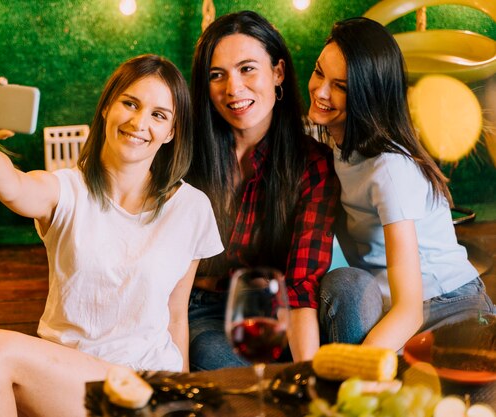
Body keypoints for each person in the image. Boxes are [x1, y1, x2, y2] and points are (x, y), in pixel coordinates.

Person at [0, 54, 223, 417]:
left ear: (171, 132)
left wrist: (176, 399)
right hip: (58, 378)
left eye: (158, 115)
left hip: (136, 387)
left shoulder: (191, 208)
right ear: (106, 109)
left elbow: (176, 314)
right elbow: (12, 186)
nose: (138, 122)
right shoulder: (68, 190)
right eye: (130, 103)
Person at [308, 17, 495, 351]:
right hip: (392, 308)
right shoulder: (339, 149)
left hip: (447, 305)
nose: (321, 91)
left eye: (341, 87)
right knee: (342, 284)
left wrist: (357, 369)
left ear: (368, 96)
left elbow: (410, 311)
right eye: (319, 72)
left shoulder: (390, 168)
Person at [185, 10, 340, 371]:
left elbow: (302, 288)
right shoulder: (187, 157)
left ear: (278, 73)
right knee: (212, 354)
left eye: (247, 68)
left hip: (278, 309)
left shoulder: (311, 164)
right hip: (202, 308)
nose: (233, 88)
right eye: (216, 75)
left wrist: (308, 383)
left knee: (348, 294)